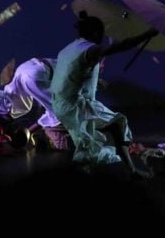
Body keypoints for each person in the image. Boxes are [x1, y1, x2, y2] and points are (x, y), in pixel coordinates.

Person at [50, 11, 158, 177]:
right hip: (75, 106)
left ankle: (82, 173)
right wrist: (147, 34)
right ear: (96, 33)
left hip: (59, 104)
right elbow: (119, 47)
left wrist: (95, 81)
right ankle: (132, 170)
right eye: (102, 33)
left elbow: (71, 73)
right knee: (117, 124)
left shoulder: (69, 48)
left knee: (86, 145)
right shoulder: (90, 49)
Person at [0, 57, 60, 136]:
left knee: (55, 134)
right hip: (58, 70)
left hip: (68, 80)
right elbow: (9, 95)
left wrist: (29, 131)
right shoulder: (19, 75)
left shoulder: (28, 81)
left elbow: (57, 111)